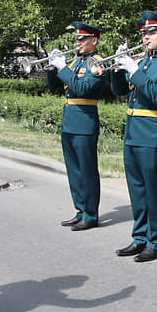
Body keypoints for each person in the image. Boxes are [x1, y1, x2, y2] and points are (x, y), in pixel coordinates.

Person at [111, 11, 157, 262]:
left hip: (153, 132)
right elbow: (119, 91)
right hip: (133, 131)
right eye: (144, 33)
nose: (145, 37)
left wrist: (133, 69)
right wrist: (118, 69)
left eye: (151, 32)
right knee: (137, 189)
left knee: (154, 190)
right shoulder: (143, 62)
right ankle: (140, 237)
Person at [46, 22, 107, 231]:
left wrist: (63, 67)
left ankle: (91, 214)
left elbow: (81, 88)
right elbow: (55, 86)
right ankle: (80, 209)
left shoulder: (97, 63)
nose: (78, 43)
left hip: (85, 122)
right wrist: (52, 68)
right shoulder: (75, 62)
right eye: (77, 39)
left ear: (94, 40)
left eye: (82, 39)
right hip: (70, 121)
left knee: (87, 170)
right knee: (74, 170)